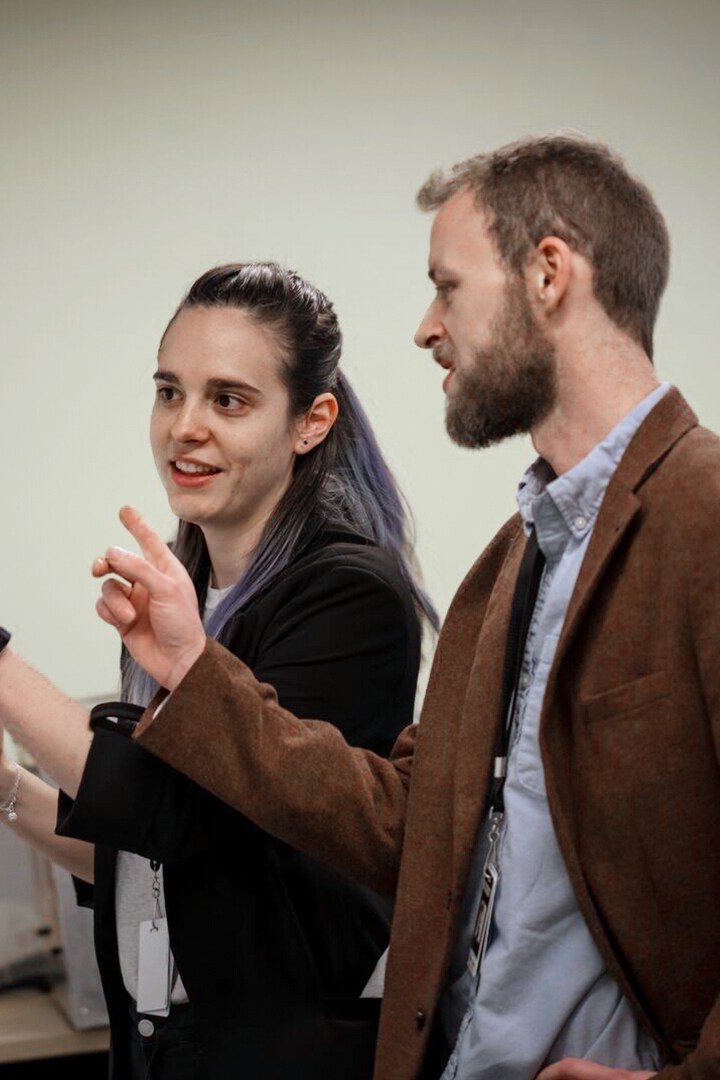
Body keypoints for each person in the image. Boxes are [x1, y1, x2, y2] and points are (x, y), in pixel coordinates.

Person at [93, 135, 720, 1080]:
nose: (427, 327)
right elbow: (405, 826)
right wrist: (192, 669)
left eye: (448, 286)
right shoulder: (510, 566)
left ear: (548, 273)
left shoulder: (703, 515)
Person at [0, 262, 438, 1079]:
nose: (184, 427)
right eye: (169, 392)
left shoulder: (348, 595)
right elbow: (152, 856)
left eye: (228, 400)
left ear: (311, 422)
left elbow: (184, 818)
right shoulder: (178, 589)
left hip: (286, 1053)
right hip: (166, 1046)